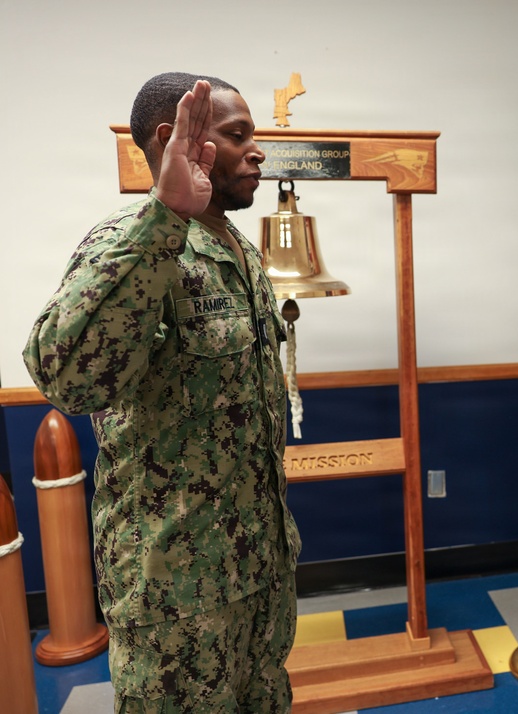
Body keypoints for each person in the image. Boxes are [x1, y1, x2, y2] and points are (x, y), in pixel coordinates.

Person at [23, 73, 301, 712]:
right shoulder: (134, 244)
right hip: (176, 594)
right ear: (175, 139)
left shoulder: (237, 250)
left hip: (259, 573)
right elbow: (67, 377)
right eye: (238, 135)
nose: (257, 150)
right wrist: (162, 220)